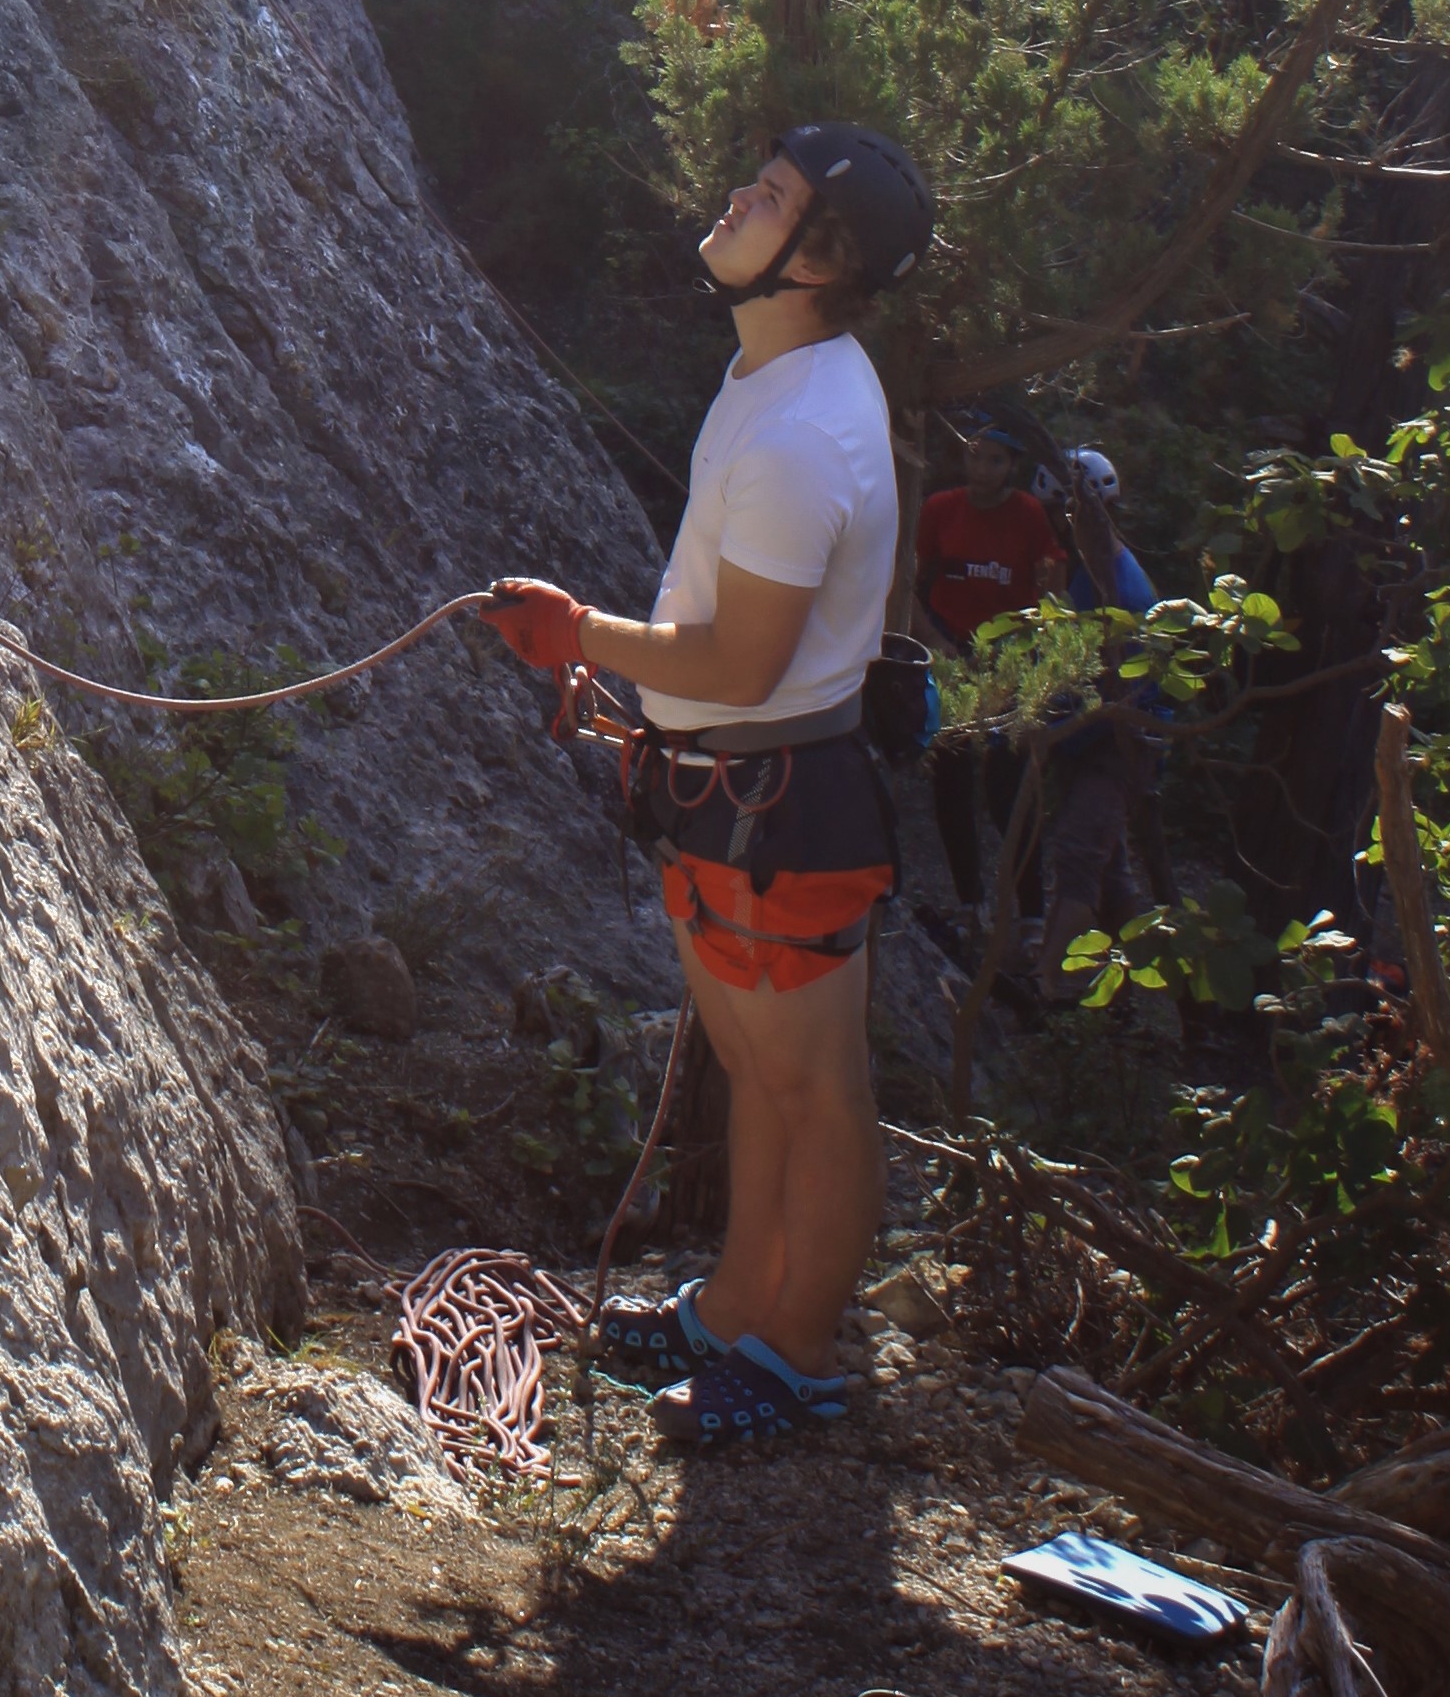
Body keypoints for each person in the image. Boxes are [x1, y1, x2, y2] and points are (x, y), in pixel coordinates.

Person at [480, 121, 934, 1452]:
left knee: (811, 1082)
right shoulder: (777, 377)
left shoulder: (801, 433)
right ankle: (736, 1306)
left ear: (818, 260)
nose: (740, 198)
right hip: (736, 793)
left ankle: (796, 1355)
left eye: (772, 195)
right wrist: (631, 691)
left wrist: (583, 637)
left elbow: (745, 660)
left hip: (779, 807)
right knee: (752, 1067)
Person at [1034, 450, 1171, 995]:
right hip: (1097, 736)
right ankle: (1125, 995)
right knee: (1109, 867)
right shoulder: (1096, 571)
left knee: (1079, 856)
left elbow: (1107, 688)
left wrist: (1052, 729)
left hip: (1118, 741)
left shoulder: (1120, 589)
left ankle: (1053, 987)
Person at [913, 425, 1060, 923]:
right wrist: (935, 643)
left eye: (994, 461)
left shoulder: (1028, 516)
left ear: (1011, 467)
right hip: (951, 657)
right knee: (950, 784)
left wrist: (1036, 663)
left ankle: (1031, 913)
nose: (981, 470)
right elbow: (904, 580)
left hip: (1007, 665)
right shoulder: (940, 509)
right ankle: (969, 903)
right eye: (975, 457)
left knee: (1007, 790)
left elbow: (1050, 592)